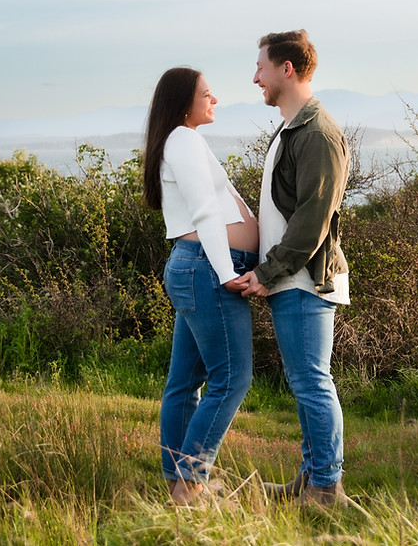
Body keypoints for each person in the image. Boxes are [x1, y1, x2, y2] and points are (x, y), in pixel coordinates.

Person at [231, 30, 352, 507]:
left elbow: (312, 220)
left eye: (261, 65)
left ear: (287, 69)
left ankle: (326, 487)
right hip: (291, 279)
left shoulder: (318, 132)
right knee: (305, 382)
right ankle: (311, 478)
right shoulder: (293, 127)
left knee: (311, 382)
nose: (254, 76)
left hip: (304, 280)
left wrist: (267, 272)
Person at [142, 67, 260, 506]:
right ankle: (190, 486)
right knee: (232, 379)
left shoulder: (181, 139)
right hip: (208, 270)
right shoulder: (183, 139)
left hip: (196, 268)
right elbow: (206, 210)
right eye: (208, 95)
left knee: (184, 382)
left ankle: (178, 484)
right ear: (183, 102)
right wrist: (227, 270)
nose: (215, 101)